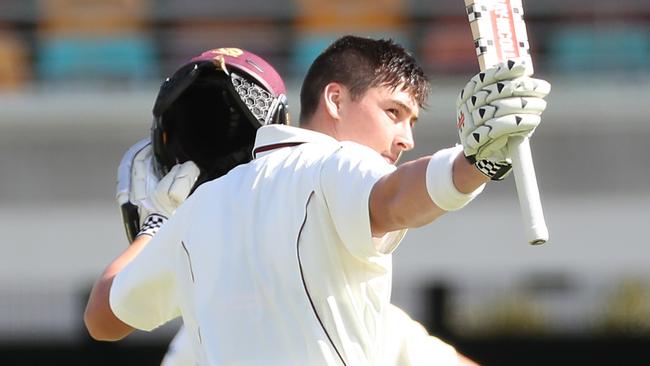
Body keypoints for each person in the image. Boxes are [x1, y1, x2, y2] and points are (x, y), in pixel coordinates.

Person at [85, 35, 549, 365]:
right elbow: (394, 198)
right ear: (335, 99)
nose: (404, 138)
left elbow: (103, 318)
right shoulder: (335, 165)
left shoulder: (196, 217)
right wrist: (474, 162)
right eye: (393, 113)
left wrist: (159, 224)